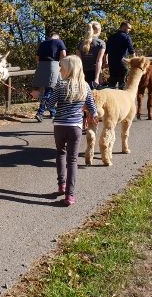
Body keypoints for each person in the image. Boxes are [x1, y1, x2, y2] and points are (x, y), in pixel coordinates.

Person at [45, 55, 98, 206]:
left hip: (60, 126)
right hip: (75, 127)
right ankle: (70, 195)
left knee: (60, 153)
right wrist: (93, 115)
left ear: (69, 69)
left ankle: (61, 185)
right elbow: (92, 105)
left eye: (62, 67)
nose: (60, 69)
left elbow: (49, 104)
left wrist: (41, 97)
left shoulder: (60, 85)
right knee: (73, 160)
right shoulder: (85, 86)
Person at [31, 32, 66, 121]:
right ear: (57, 37)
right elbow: (63, 55)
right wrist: (61, 66)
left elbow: (37, 58)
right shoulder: (59, 41)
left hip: (41, 66)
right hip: (53, 65)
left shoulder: (42, 44)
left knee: (44, 90)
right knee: (49, 90)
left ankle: (53, 112)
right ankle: (40, 112)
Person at [105, 21, 135, 89]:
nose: (129, 30)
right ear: (123, 27)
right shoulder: (127, 37)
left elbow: (106, 52)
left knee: (112, 84)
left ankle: (111, 98)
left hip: (112, 64)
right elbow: (131, 51)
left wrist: (106, 61)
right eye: (129, 28)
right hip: (122, 63)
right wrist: (135, 62)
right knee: (122, 84)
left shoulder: (111, 37)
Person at [76, 21, 106, 89]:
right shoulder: (101, 43)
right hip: (94, 73)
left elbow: (79, 62)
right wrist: (97, 78)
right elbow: (99, 61)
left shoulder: (80, 44)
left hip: (82, 73)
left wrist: (78, 75)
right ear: (98, 30)